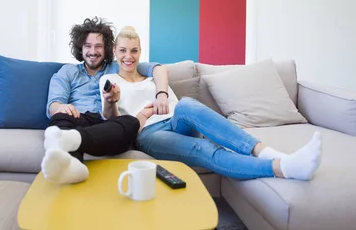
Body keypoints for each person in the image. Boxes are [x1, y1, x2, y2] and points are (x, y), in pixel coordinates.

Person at [100, 26, 322, 181]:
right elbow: (113, 121)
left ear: (140, 52)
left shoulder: (151, 76)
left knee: (187, 103)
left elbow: (161, 71)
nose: (128, 56)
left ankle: (266, 151)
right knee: (206, 148)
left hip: (177, 121)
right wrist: (112, 101)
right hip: (149, 134)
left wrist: (162, 96)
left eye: (134, 50)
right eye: (123, 50)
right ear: (114, 52)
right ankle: (282, 167)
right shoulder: (109, 81)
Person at [41, 17, 170, 185]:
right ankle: (72, 167)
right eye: (88, 46)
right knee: (60, 118)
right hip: (78, 118)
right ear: (80, 48)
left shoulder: (121, 64)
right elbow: (53, 105)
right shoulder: (68, 72)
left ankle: (73, 140)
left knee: (131, 122)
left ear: (108, 49)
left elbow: (156, 68)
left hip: (108, 125)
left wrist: (162, 95)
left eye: (98, 46)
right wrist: (63, 107)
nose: (93, 51)